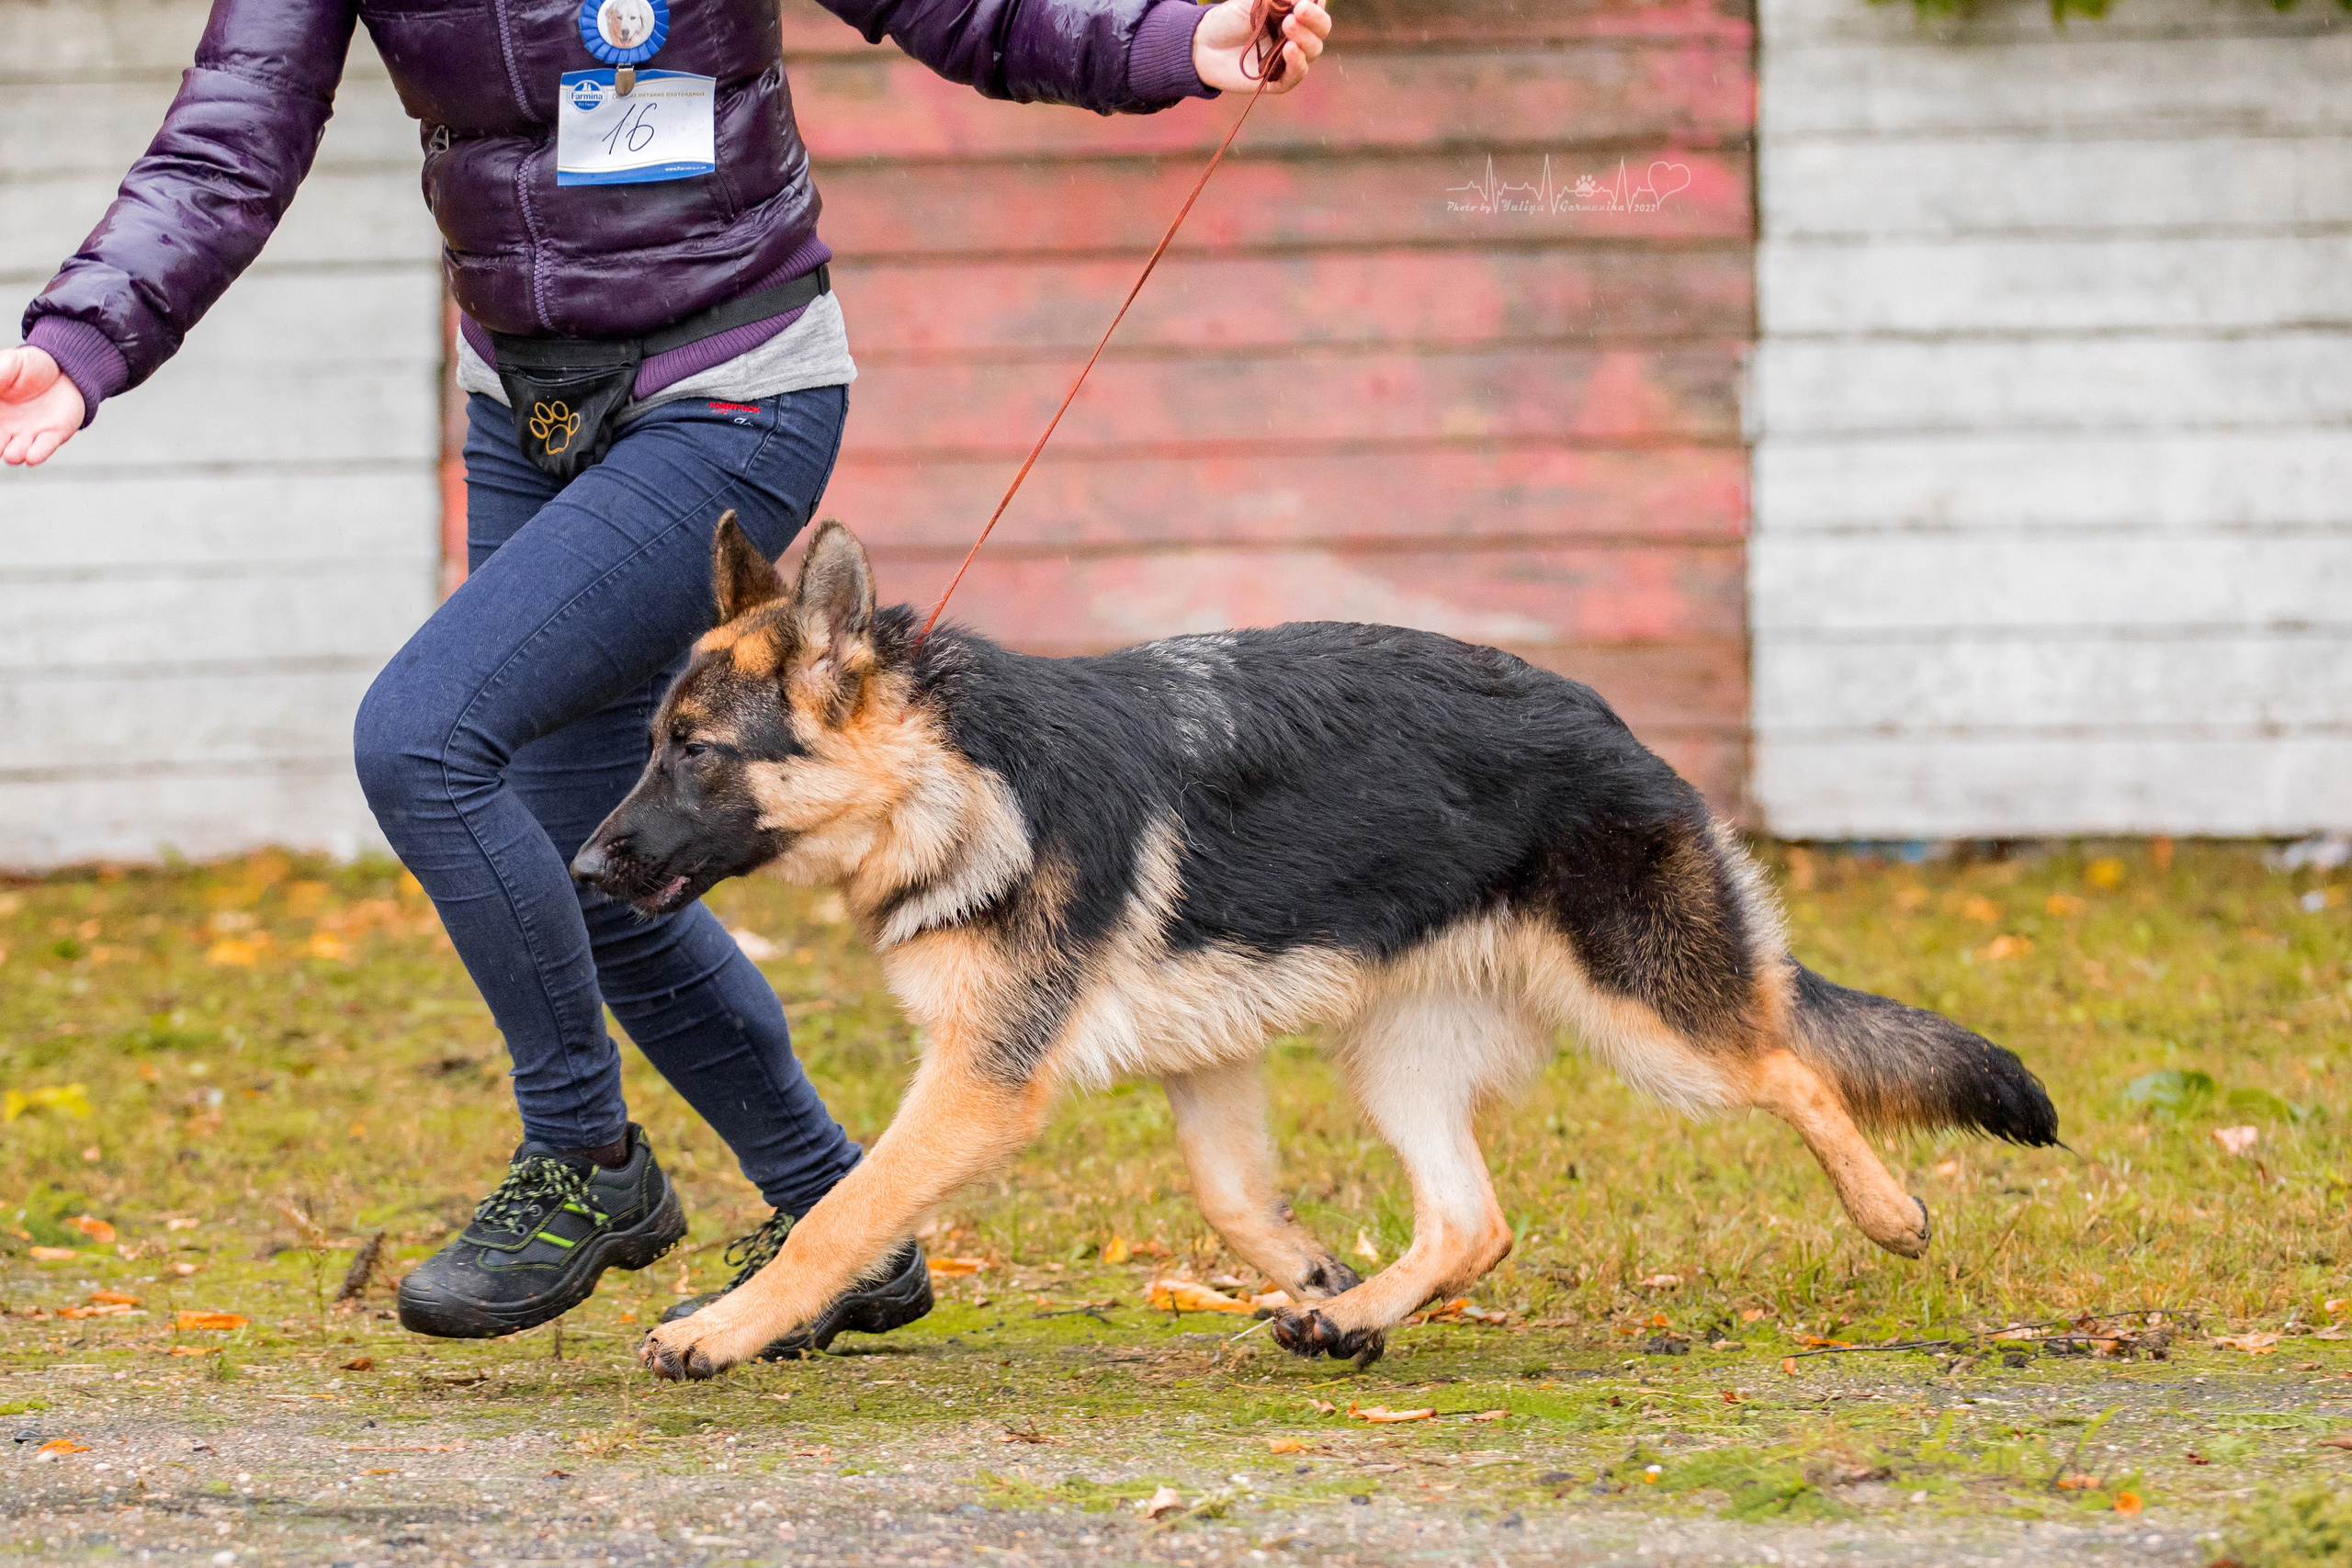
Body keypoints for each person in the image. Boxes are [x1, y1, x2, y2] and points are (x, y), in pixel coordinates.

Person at [1, 0, 1329, 1349]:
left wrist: (1176, 38)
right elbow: (231, 137)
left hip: (734, 378)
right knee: (600, 833)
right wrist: (84, 338)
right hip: (528, 398)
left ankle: (585, 1157)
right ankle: (829, 1213)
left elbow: (970, 8)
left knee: (421, 739)